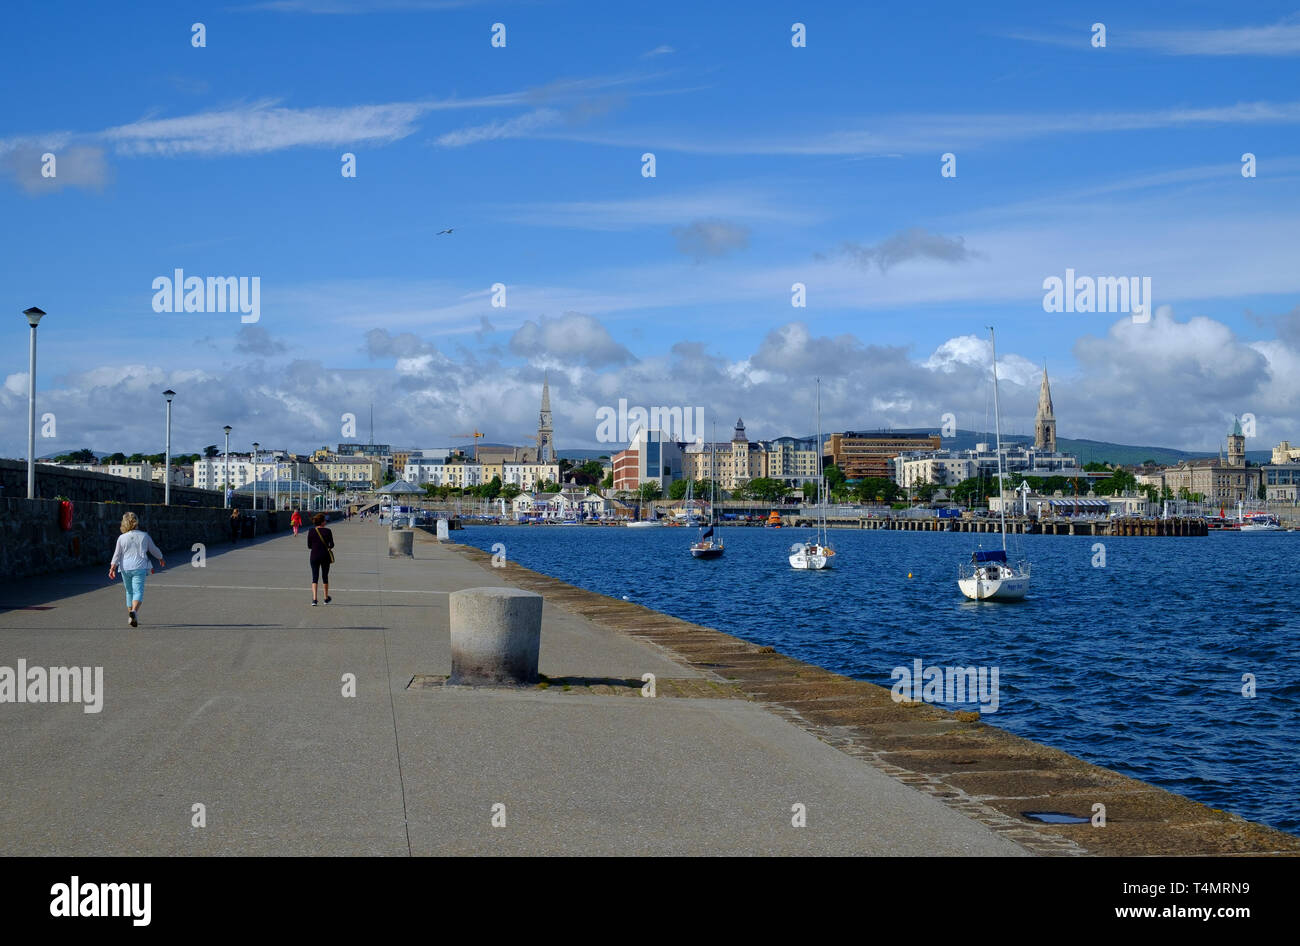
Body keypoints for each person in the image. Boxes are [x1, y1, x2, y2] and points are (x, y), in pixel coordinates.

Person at [109, 511, 165, 627]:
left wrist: (112, 568)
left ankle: (131, 616)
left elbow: (117, 554)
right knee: (138, 591)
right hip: (139, 567)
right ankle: (134, 612)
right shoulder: (144, 535)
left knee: (129, 591)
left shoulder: (121, 538)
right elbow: (153, 549)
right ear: (136, 522)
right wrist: (160, 558)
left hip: (125, 567)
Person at [307, 513, 335, 606]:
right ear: (322, 522)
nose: (326, 522)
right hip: (325, 556)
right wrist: (327, 546)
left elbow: (309, 546)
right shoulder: (328, 531)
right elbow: (332, 545)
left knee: (315, 577)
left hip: (314, 556)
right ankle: (326, 598)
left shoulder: (311, 531)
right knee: (325, 577)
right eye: (325, 520)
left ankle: (314, 599)